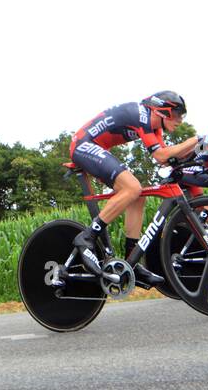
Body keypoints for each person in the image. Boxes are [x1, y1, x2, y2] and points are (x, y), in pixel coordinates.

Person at [68, 91, 200, 267]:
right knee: (132, 188)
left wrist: (198, 152)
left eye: (182, 116)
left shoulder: (155, 127)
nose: (180, 120)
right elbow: (161, 156)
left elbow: (167, 158)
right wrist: (195, 140)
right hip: (83, 144)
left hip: (97, 148)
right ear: (161, 111)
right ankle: (87, 236)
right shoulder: (141, 115)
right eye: (177, 114)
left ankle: (132, 262)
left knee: (138, 197)